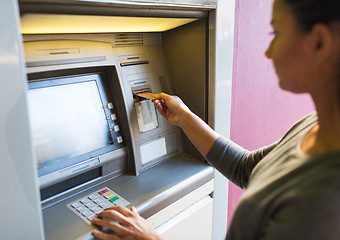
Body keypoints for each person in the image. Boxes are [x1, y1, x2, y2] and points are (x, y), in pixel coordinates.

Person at [92, 0, 340, 239]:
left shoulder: (323, 200)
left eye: (276, 33)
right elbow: (247, 168)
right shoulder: (314, 125)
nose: (268, 51)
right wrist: (186, 118)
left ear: (319, 42)